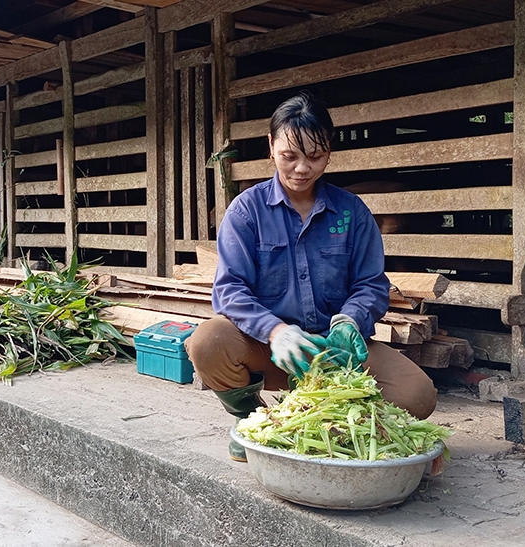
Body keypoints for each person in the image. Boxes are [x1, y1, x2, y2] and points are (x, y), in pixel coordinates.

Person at [185, 90, 437, 461]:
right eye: (289, 156)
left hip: (337, 352)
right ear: (270, 147)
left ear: (329, 152)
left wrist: (351, 321)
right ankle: (251, 418)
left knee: (419, 394)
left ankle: (325, 419)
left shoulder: (350, 212)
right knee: (206, 342)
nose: (302, 168)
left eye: (315, 157)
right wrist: (276, 331)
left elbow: (371, 284)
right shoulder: (246, 212)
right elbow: (230, 290)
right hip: (272, 352)